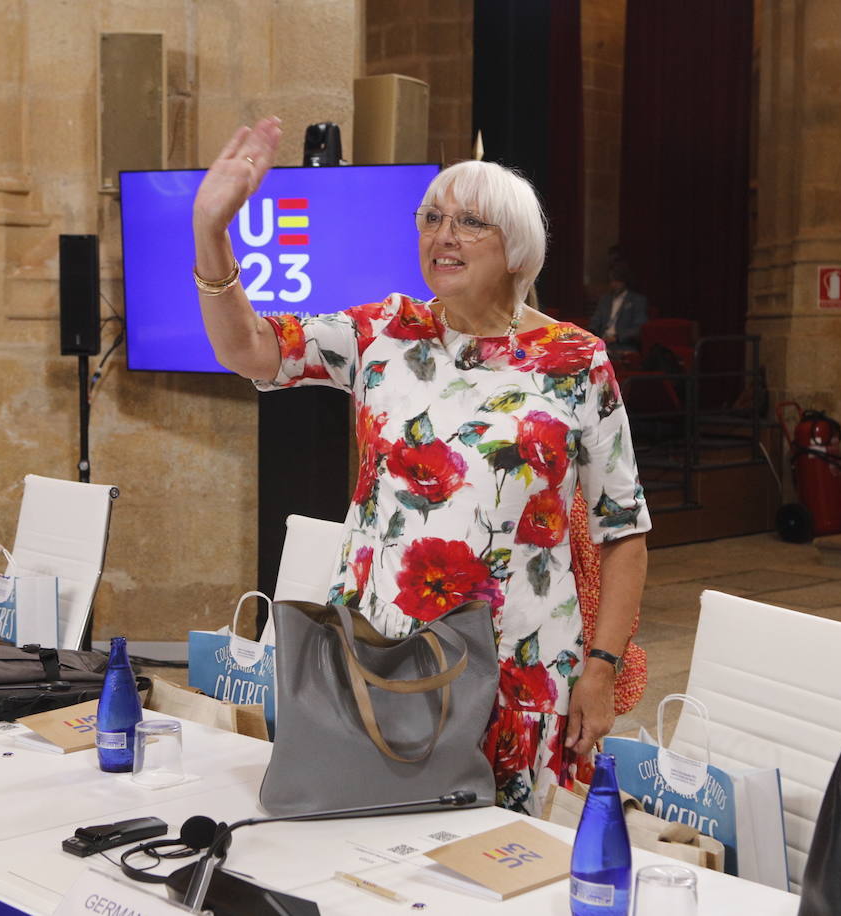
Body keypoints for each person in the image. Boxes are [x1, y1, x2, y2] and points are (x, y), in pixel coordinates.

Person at [191, 117, 652, 813]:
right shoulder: (381, 332)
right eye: (431, 217)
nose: (443, 234)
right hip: (382, 656)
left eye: (470, 221)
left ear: (518, 248)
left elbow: (624, 530)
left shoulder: (575, 361)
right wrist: (210, 231)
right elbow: (250, 348)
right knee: (369, 843)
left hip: (517, 666)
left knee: (499, 865)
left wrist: (602, 668)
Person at [589, 259, 648, 351]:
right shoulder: (605, 299)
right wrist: (591, 333)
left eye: (617, 281)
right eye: (612, 281)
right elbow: (596, 320)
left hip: (623, 345)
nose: (614, 284)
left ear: (625, 281)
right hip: (602, 343)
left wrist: (617, 337)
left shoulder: (637, 300)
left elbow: (639, 328)